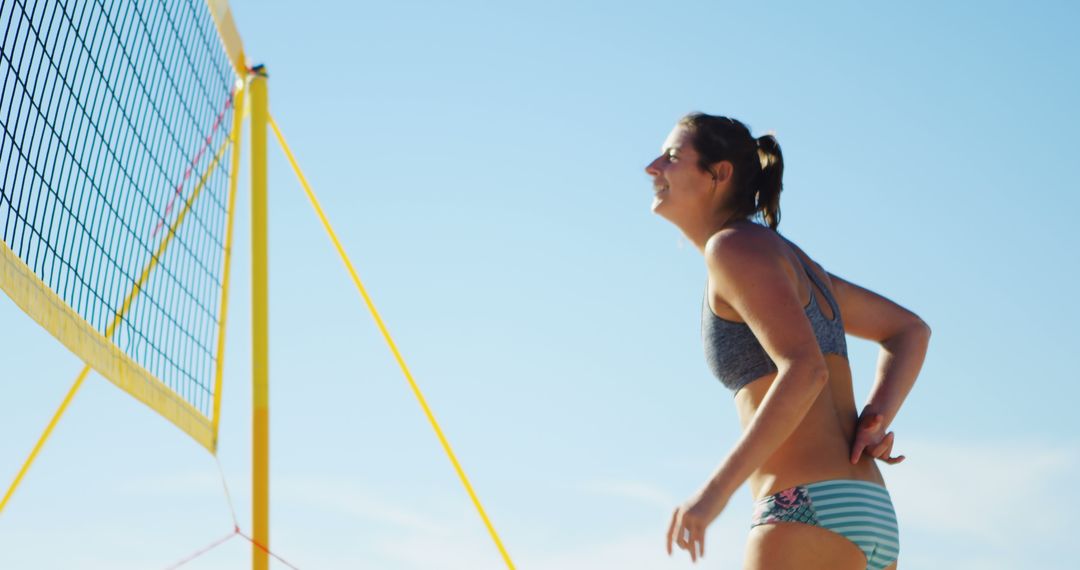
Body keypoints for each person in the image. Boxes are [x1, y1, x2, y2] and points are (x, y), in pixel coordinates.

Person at [645, 113, 931, 570]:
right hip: (868, 510)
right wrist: (875, 418)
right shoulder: (793, 262)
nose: (653, 167)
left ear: (719, 174)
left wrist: (712, 494)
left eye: (673, 157)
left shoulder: (732, 249)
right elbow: (909, 330)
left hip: (803, 508)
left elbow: (805, 369)